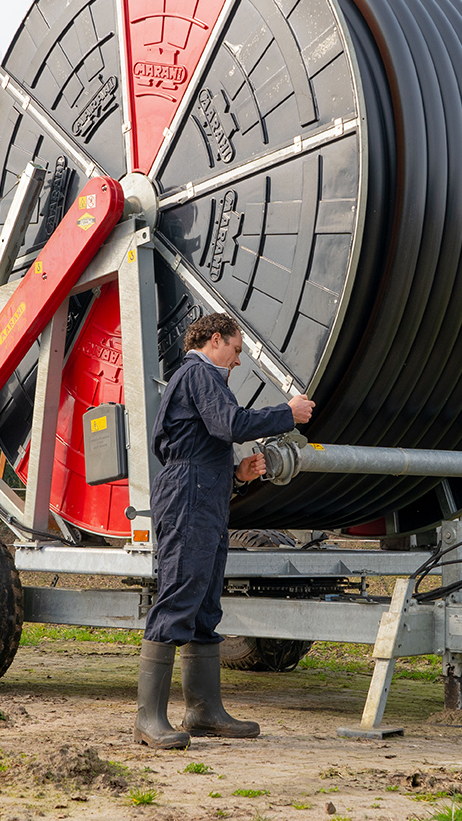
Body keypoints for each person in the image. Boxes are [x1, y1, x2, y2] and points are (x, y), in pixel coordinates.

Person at [135, 312, 316, 749]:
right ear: (215, 339)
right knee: (180, 594)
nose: (237, 361)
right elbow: (230, 425)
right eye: (236, 350)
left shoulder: (203, 379)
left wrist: (238, 472)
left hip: (207, 495)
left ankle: (204, 711)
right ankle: (147, 721)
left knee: (205, 603)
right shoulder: (198, 373)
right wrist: (286, 414)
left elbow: (202, 442)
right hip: (189, 498)